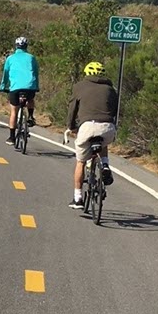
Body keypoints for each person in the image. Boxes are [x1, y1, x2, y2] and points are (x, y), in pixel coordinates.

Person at [64, 61, 119, 207]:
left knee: (81, 162)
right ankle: (105, 165)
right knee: (103, 143)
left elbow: (72, 109)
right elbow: (115, 110)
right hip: (108, 126)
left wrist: (71, 126)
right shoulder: (111, 89)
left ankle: (78, 198)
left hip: (87, 126)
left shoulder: (79, 87)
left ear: (87, 73)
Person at [0, 36, 39, 143]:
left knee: (14, 111)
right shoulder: (31, 58)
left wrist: (3, 86)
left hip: (15, 88)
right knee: (30, 99)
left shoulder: (10, 58)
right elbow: (36, 73)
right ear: (26, 46)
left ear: (16, 46)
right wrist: (36, 86)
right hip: (30, 87)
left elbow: (5, 74)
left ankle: (11, 137)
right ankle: (30, 116)